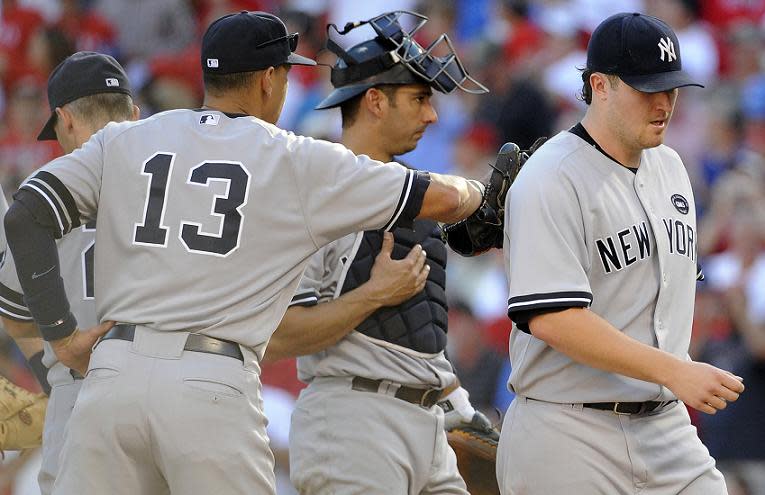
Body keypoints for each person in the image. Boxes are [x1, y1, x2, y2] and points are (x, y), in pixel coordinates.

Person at [3, 11, 494, 495]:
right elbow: (444, 199)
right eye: (284, 74)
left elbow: (26, 216)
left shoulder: (128, 138)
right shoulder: (291, 155)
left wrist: (63, 337)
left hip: (113, 379)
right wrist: (480, 191)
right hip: (210, 380)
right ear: (267, 80)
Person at [499, 12, 746, 495]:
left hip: (666, 427)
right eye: (647, 89)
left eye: (671, 88)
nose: (664, 103)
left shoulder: (672, 167)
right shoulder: (551, 177)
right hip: (569, 429)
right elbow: (552, 317)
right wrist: (674, 370)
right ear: (601, 85)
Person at [262, 11, 493, 494]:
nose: (432, 115)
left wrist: (461, 409)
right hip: (351, 421)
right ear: (374, 101)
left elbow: (416, 330)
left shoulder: (415, 195)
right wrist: (372, 295)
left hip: (427, 422)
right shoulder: (315, 191)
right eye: (419, 98)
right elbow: (281, 336)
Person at [0, 51, 139, 494]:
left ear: (66, 119)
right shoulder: (178, 184)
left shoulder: (38, 197)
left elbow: (17, 317)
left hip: (81, 395)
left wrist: (60, 368)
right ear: (135, 114)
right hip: (175, 386)